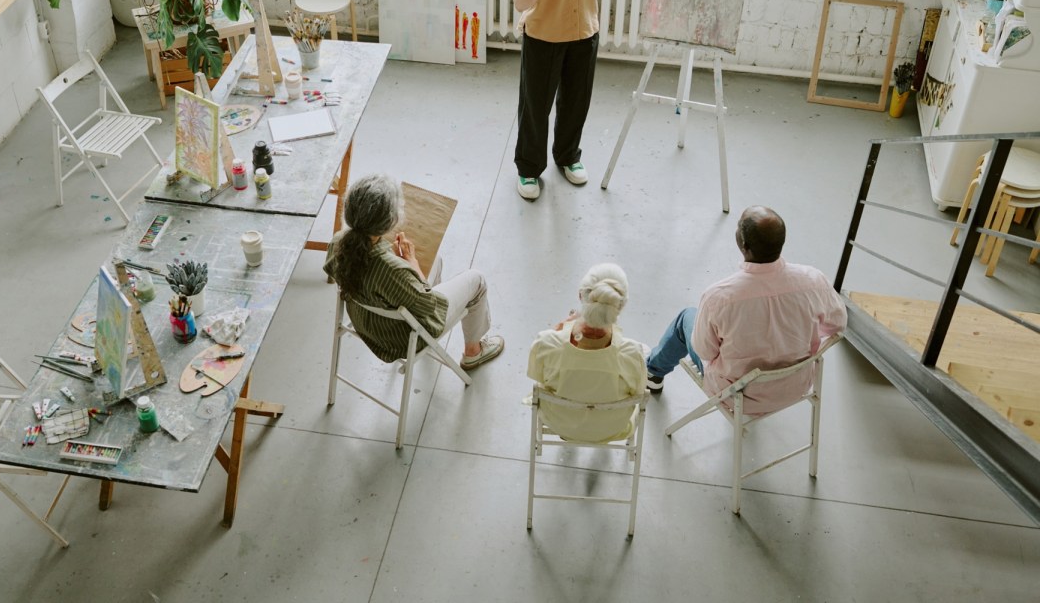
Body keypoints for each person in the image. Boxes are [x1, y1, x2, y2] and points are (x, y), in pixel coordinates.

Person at [509, 0, 652, 201]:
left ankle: (568, 157)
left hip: (583, 32)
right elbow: (518, 1)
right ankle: (529, 169)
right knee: (536, 107)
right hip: (544, 35)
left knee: (576, 103)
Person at [644, 206, 847, 415]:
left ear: (743, 245)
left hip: (737, 395)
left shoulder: (719, 297)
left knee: (686, 318)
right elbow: (838, 324)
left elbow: (705, 351)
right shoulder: (813, 281)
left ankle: (653, 372)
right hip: (796, 387)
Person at [324, 174, 504, 369]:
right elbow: (429, 305)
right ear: (390, 221)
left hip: (365, 323)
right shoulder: (393, 270)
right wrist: (411, 263)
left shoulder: (338, 243)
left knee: (435, 260)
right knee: (476, 280)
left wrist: (395, 260)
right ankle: (473, 352)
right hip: (399, 338)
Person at [527, 263, 648, 442]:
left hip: (559, 422)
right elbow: (637, 391)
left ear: (580, 295)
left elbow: (539, 377)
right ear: (621, 305)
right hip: (612, 428)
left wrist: (560, 331)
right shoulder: (633, 354)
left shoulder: (546, 343)